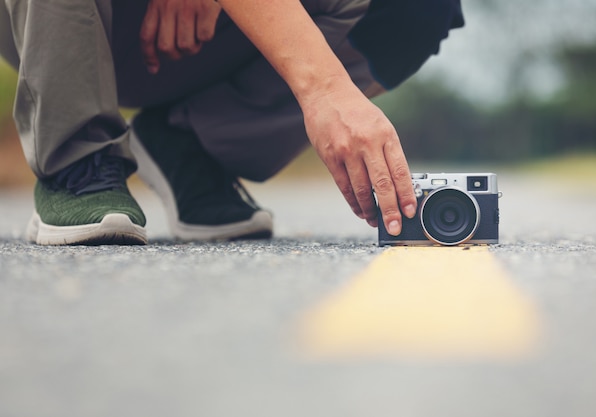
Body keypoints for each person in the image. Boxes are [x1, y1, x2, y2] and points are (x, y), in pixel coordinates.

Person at [0, 0, 464, 245]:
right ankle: (76, 153)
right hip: (59, 18)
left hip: (191, 38)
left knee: (417, 4)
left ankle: (188, 139)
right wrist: (324, 88)